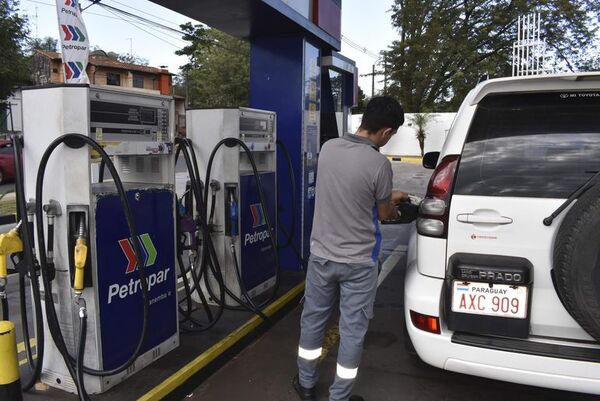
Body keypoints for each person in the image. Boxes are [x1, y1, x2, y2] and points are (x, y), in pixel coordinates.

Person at [293, 96, 408, 401]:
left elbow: (345, 188)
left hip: (321, 256)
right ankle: (339, 397)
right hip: (359, 262)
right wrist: (394, 206)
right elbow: (384, 214)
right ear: (385, 131)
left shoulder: (328, 148)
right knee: (353, 330)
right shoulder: (379, 163)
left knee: (313, 319)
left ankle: (305, 384)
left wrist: (385, 196)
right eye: (391, 134)